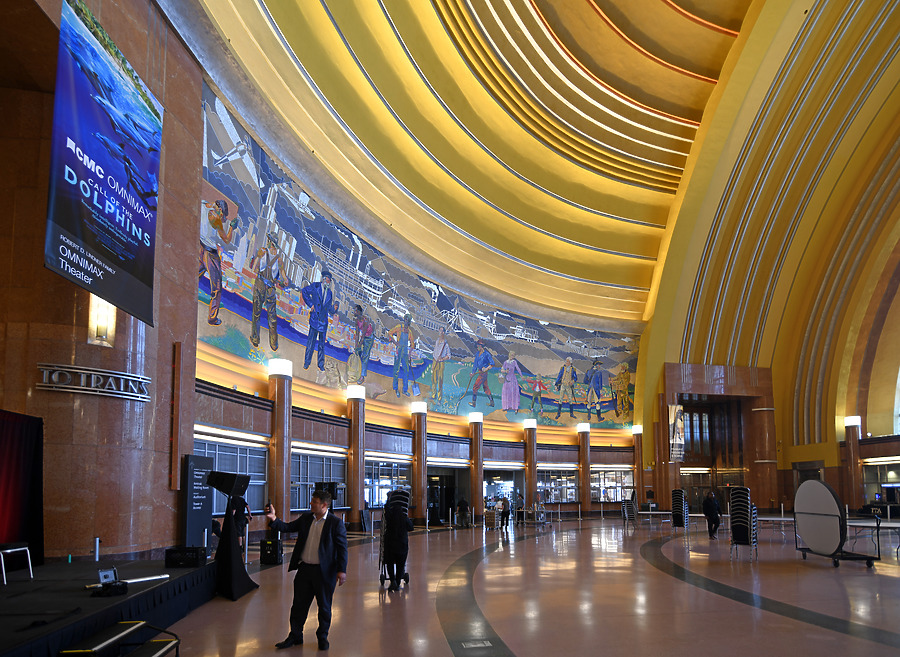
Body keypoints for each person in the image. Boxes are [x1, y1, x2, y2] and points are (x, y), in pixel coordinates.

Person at [265, 490, 348, 651]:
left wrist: (341, 570)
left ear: (324, 505)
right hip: (304, 570)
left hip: (324, 573)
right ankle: (295, 635)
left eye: (314, 502)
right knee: (298, 606)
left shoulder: (335, 523)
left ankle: (322, 637)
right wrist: (274, 518)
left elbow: (342, 549)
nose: (310, 504)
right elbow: (287, 527)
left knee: (324, 607)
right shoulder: (305, 518)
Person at [199, 199, 237, 325]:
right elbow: (226, 239)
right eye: (223, 216)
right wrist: (232, 227)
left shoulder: (203, 204)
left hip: (199, 248)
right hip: (210, 254)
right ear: (220, 210)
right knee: (216, 288)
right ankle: (212, 317)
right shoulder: (214, 216)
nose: (222, 219)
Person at [250, 232, 287, 351]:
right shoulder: (262, 251)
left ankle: (273, 344)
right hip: (260, 284)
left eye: (270, 240)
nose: (269, 242)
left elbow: (283, 276)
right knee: (256, 313)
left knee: (272, 318)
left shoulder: (279, 260)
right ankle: (255, 338)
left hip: (270, 288)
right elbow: (255, 267)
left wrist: (284, 281)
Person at [301, 270, 334, 371]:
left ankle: (321, 365)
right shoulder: (315, 286)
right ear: (323, 279)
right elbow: (304, 291)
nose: (327, 282)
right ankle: (307, 362)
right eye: (327, 280)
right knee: (310, 342)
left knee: (321, 345)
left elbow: (329, 309)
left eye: (329, 281)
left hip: (323, 322)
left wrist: (335, 308)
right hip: (315, 320)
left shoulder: (330, 293)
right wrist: (311, 305)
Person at [382, 492, 414, 592]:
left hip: (390, 545)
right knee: (401, 564)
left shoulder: (390, 518)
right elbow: (411, 528)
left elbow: (386, 509)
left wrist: (388, 499)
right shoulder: (404, 518)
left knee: (390, 563)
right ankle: (398, 581)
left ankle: (393, 582)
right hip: (402, 545)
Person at [388, 314, 415, 397]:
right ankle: (396, 389)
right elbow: (390, 333)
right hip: (398, 351)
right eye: (406, 320)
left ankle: (405, 390)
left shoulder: (409, 332)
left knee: (406, 371)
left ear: (409, 322)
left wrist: (410, 353)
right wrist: (395, 342)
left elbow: (412, 344)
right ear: (404, 320)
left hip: (405, 353)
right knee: (396, 370)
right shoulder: (399, 327)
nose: (406, 322)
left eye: (408, 320)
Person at [469, 340, 495, 407]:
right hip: (480, 371)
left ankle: (473, 403)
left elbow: (492, 364)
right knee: (486, 387)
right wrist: (473, 373)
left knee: (475, 387)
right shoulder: (477, 354)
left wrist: (486, 368)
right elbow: (475, 364)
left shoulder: (486, 354)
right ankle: (492, 402)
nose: (477, 348)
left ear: (481, 346)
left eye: (477, 346)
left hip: (483, 373)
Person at [352, 304, 374, 383]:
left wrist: (359, 345)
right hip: (363, 337)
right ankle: (358, 371)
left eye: (355, 310)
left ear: (358, 311)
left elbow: (363, 335)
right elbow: (357, 335)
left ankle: (362, 376)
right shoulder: (356, 321)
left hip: (369, 339)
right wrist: (356, 347)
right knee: (358, 353)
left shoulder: (365, 320)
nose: (354, 312)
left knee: (365, 356)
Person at [430, 327, 452, 401]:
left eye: (441, 331)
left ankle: (439, 398)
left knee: (440, 380)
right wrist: (433, 363)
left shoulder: (445, 344)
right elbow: (435, 352)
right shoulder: (437, 341)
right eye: (439, 330)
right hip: (435, 361)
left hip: (441, 363)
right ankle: (433, 395)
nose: (439, 332)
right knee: (433, 379)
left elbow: (449, 356)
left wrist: (442, 359)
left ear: (443, 333)